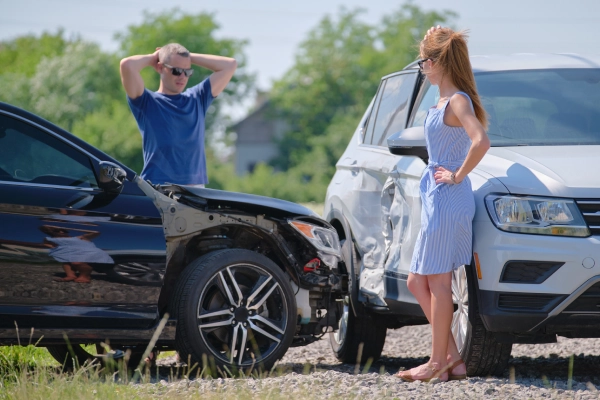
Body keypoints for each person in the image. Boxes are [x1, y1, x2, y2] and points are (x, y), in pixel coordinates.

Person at [397, 26, 490, 382]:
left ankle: (437, 364)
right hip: (437, 199)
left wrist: (457, 175)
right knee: (415, 282)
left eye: (423, 61)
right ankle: (452, 358)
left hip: (449, 197)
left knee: (438, 282)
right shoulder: (441, 101)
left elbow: (480, 141)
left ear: (435, 63)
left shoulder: (457, 101)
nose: (421, 67)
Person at [120, 43, 237, 186]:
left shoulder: (197, 98)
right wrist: (154, 57)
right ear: (160, 67)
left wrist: (188, 57)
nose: (182, 76)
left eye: (187, 72)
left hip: (195, 190)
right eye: (176, 70)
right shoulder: (146, 102)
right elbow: (127, 65)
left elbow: (230, 65)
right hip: (158, 188)